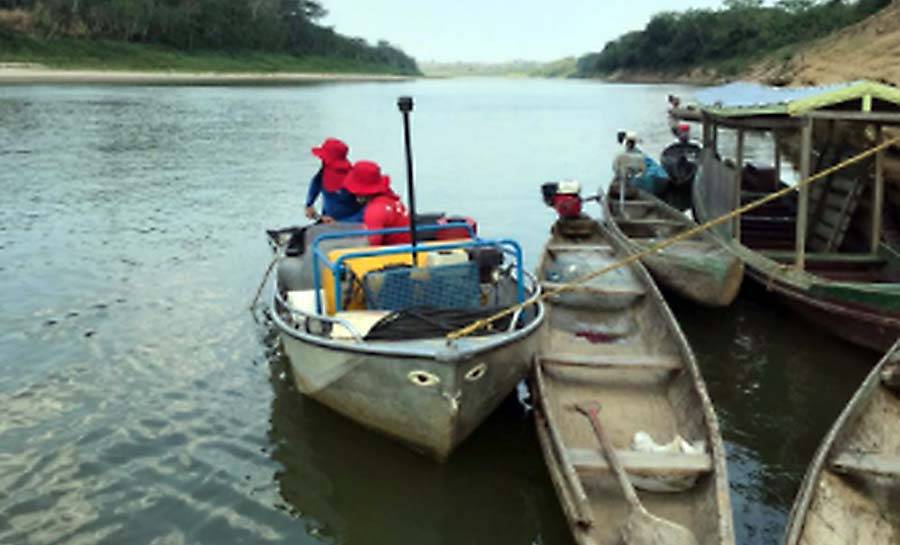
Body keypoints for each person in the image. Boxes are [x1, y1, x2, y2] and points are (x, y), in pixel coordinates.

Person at [342, 160, 412, 246]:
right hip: (407, 248)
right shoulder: (392, 201)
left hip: (395, 255)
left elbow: (372, 245)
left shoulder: (375, 210)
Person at [305, 138, 364, 223]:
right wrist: (309, 204)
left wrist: (342, 223)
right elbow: (315, 183)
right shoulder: (323, 172)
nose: (321, 160)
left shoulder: (355, 179)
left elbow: (366, 211)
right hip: (327, 222)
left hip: (350, 226)